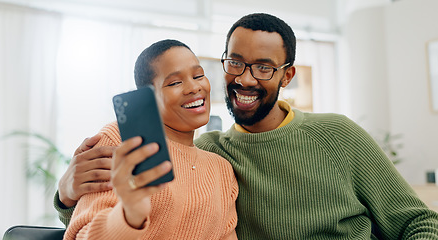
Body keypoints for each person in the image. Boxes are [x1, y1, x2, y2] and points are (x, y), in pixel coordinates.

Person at [56, 13, 438, 239]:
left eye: (264, 67)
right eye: (235, 62)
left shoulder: (338, 135)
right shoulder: (210, 152)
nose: (247, 79)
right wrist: (66, 193)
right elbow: (112, 214)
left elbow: (418, 222)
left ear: (287, 76)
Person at [62, 39, 238, 240]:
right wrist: (130, 215)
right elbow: (82, 235)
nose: (193, 87)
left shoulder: (221, 169)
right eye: (175, 82)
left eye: (198, 75)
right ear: (148, 97)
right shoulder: (122, 141)